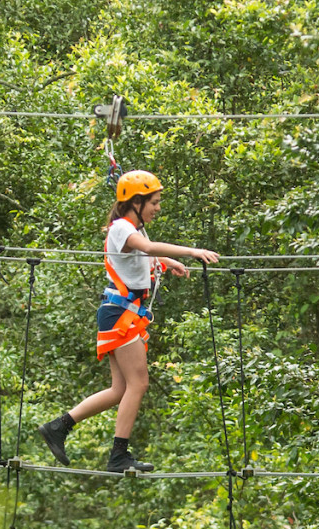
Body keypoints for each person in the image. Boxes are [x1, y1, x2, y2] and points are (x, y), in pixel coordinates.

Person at [38, 169, 219, 474]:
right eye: (154, 202)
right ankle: (118, 455)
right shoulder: (122, 227)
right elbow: (145, 249)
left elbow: (140, 256)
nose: (158, 207)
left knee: (120, 389)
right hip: (119, 313)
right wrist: (191, 251)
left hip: (121, 313)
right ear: (136, 202)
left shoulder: (132, 228)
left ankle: (59, 427)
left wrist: (169, 262)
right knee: (139, 383)